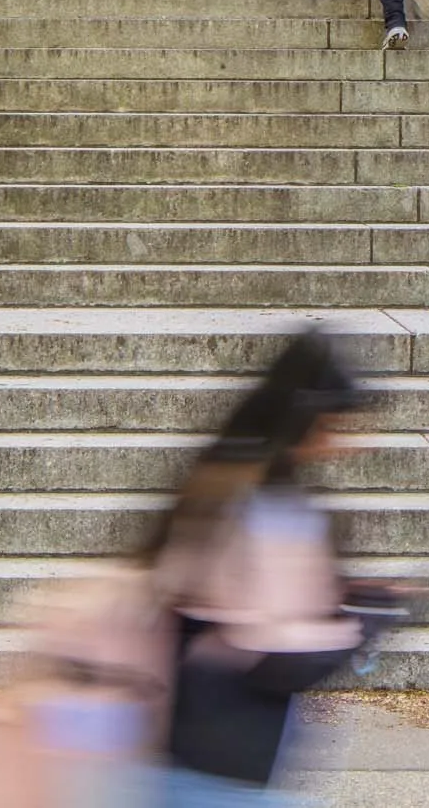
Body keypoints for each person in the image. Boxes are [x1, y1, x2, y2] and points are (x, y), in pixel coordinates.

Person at [148, 330, 393, 803]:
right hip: (223, 745)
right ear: (302, 420)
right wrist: (366, 622)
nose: (338, 442)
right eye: (330, 426)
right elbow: (272, 651)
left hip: (215, 738)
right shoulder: (261, 505)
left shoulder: (236, 481)